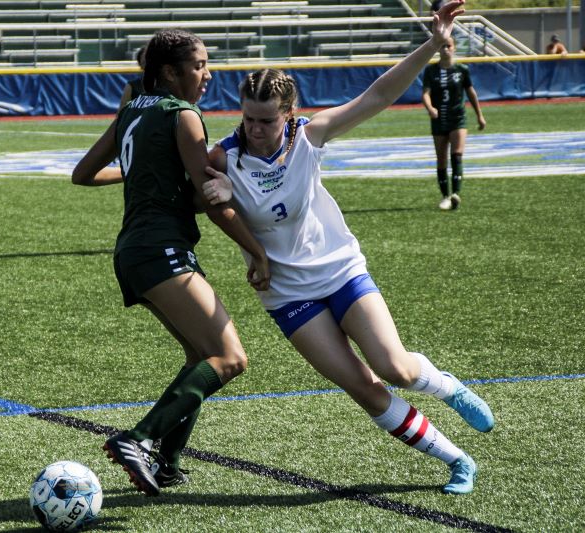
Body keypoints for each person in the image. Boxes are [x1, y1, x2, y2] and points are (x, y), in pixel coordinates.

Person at [202, 0, 493, 495]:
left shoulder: (310, 137)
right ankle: (457, 460)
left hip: (340, 271)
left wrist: (433, 42)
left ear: (288, 115)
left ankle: (446, 385)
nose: (254, 129)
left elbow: (376, 96)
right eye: (248, 118)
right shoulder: (222, 158)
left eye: (266, 121)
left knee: (394, 368)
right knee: (362, 386)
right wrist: (219, 199)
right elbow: (195, 200)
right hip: (287, 294)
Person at [72, 29, 270, 497]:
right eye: (199, 65)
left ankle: (167, 464)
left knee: (201, 356)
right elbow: (210, 199)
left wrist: (140, 169)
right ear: (169, 72)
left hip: (133, 252)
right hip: (162, 251)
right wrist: (257, 250)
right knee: (230, 357)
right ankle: (137, 440)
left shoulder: (132, 110)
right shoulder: (183, 116)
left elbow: (82, 174)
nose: (207, 72)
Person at [421, 36, 485, 210]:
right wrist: (430, 108)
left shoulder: (462, 70)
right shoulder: (431, 71)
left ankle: (456, 193)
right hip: (439, 119)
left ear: (454, 48)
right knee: (441, 159)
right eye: (442, 46)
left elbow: (471, 92)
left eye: (448, 46)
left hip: (458, 117)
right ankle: (445, 196)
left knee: (456, 154)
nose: (445, 49)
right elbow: (425, 93)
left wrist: (479, 115)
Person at [117, 45, 146, 111]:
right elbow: (121, 113)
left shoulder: (165, 85)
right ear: (140, 65)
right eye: (144, 62)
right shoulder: (133, 86)